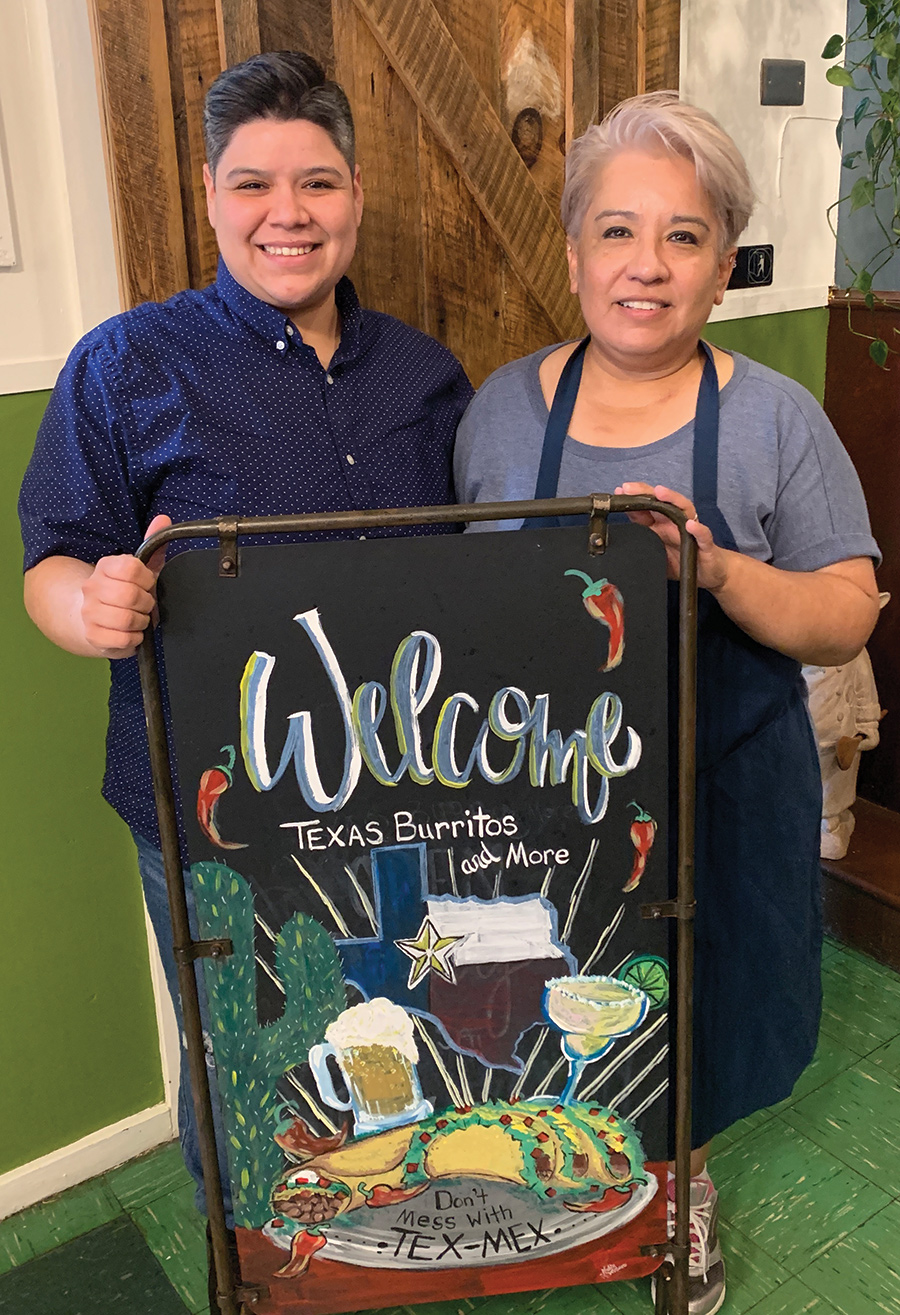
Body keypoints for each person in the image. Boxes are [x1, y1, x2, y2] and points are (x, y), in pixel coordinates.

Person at [18, 47, 471, 1293]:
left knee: (392, 1013)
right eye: (255, 183)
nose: (290, 213)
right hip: (200, 799)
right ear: (212, 197)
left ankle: (386, 1237)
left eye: (317, 182)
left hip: (395, 790)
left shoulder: (425, 373)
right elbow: (51, 560)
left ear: (357, 195)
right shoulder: (126, 364)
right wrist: (93, 606)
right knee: (239, 1045)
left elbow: (475, 567)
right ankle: (253, 1263)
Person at [453, 91, 880, 1315]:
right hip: (542, 793)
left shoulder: (773, 419)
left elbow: (848, 611)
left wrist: (726, 571)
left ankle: (673, 1201)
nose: (647, 266)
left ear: (720, 257)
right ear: (577, 247)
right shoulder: (499, 410)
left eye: (684, 236)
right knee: (542, 1002)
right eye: (617, 230)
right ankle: (558, 1186)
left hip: (724, 780)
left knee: (703, 1008)